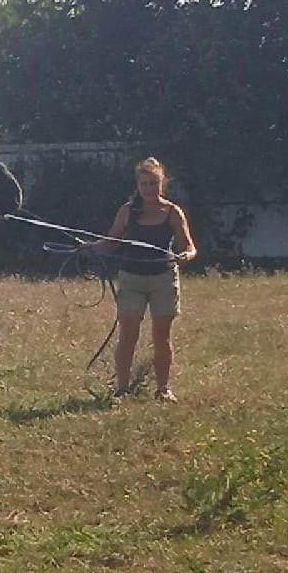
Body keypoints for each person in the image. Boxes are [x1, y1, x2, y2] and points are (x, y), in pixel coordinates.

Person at [86, 157, 197, 402]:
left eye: (153, 183)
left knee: (161, 336)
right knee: (128, 334)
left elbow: (190, 247)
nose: (148, 188)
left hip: (163, 279)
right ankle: (122, 390)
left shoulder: (171, 212)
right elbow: (111, 242)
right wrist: (89, 248)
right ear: (137, 185)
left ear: (162, 184)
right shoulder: (127, 211)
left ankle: (164, 389)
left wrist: (185, 256)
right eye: (144, 183)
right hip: (132, 279)